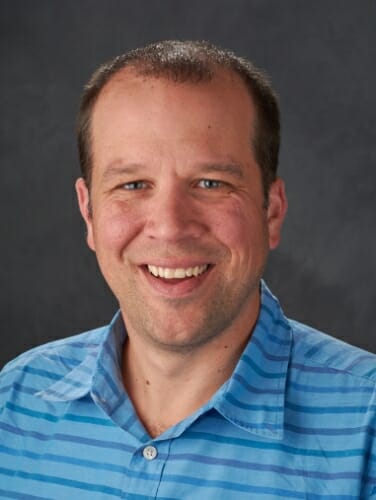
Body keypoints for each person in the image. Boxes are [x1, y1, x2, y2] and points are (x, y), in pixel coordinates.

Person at [0, 40, 375, 499]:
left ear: (272, 212)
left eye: (211, 183)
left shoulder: (367, 431)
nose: (170, 227)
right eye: (133, 184)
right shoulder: (12, 406)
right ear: (89, 213)